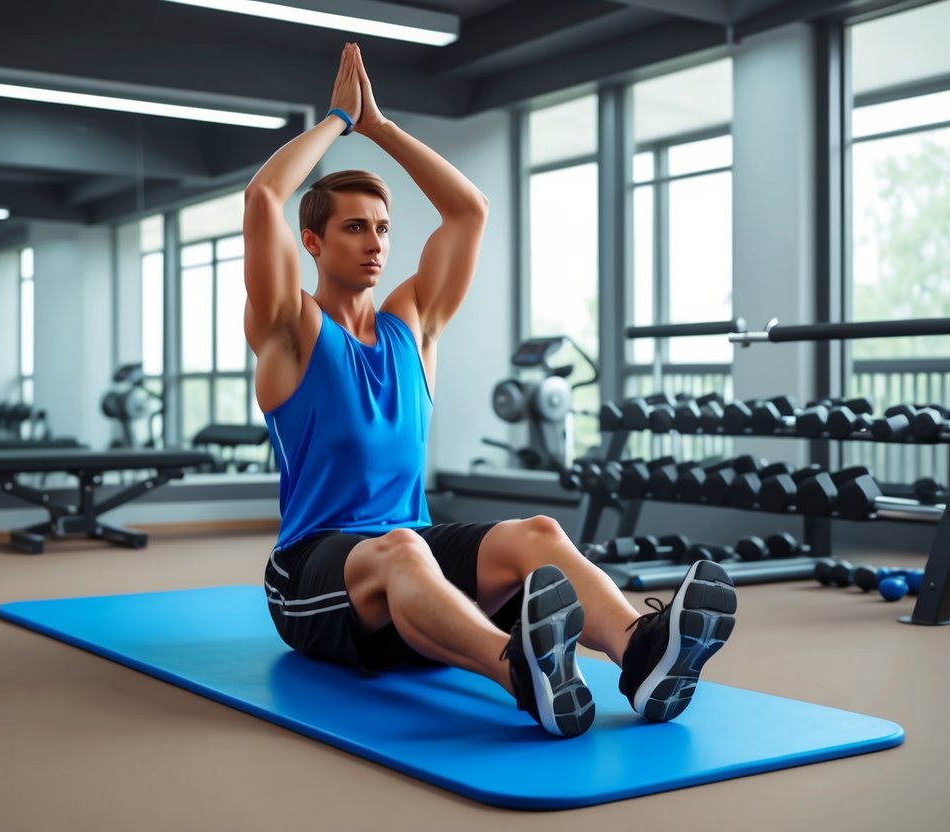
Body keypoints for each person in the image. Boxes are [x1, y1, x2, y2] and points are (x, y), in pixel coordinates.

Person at [245, 44, 736, 738]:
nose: (375, 243)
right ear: (313, 242)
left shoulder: (410, 329)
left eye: (383, 228)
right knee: (403, 551)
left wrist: (380, 125)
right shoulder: (289, 331)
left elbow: (468, 211)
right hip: (312, 579)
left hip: (410, 578)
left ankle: (640, 652)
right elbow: (262, 198)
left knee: (536, 533)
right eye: (354, 227)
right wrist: (336, 120)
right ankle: (520, 671)